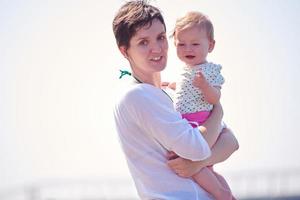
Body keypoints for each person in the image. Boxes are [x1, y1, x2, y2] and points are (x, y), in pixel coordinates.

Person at [112, 1, 239, 199]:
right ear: (124, 50)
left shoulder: (173, 94)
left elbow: (231, 141)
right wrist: (218, 110)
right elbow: (196, 147)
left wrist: (196, 164)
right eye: (143, 42)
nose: (156, 48)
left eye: (160, 37)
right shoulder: (136, 95)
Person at [167, 11, 236, 200]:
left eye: (195, 44)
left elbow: (215, 98)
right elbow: (184, 87)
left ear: (210, 45)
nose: (188, 49)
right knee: (206, 168)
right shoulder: (185, 71)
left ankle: (220, 194)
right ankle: (227, 193)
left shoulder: (210, 70)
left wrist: (205, 86)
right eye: (182, 44)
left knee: (192, 164)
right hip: (191, 122)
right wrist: (171, 85)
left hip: (200, 121)